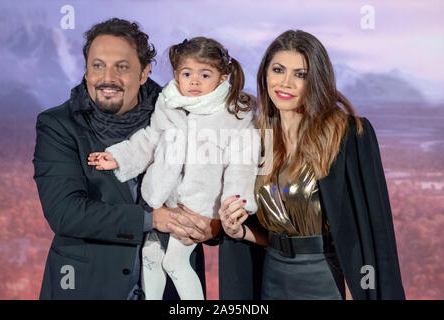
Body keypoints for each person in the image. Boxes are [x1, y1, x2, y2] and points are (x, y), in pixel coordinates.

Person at [219, 30, 405, 300]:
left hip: (326, 280)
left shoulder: (348, 134)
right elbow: (272, 230)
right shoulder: (256, 139)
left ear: (316, 80)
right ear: (265, 74)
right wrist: (240, 231)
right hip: (272, 276)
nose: (286, 83)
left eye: (300, 74)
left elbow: (372, 229)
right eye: (278, 70)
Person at [33, 18, 210, 300]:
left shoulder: (181, 117)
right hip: (88, 286)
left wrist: (211, 221)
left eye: (122, 67)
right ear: (87, 71)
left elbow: (209, 186)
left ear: (144, 73)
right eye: (98, 65)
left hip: (172, 287)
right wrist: (152, 219)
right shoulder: (58, 125)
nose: (108, 78)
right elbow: (66, 213)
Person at [87, 37, 259, 300]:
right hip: (163, 198)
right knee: (150, 256)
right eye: (187, 73)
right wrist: (119, 157)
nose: (194, 81)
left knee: (176, 263)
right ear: (177, 75)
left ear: (223, 78)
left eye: (205, 74)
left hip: (199, 203)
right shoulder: (169, 101)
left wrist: (235, 203)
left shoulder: (233, 114)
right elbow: (150, 138)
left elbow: (241, 164)